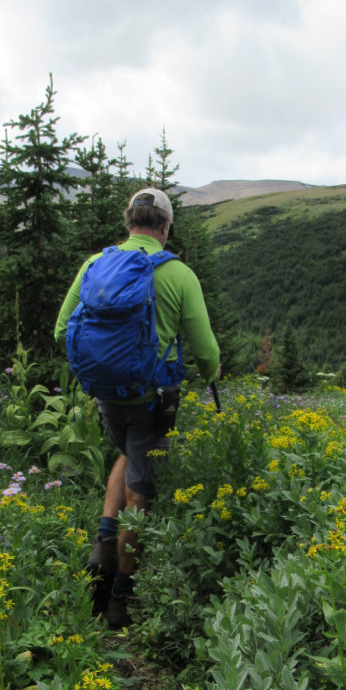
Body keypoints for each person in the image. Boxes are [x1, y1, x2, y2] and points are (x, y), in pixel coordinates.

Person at [54, 187, 220, 628]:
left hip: (106, 394)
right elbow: (205, 348)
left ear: (129, 222)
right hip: (152, 398)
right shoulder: (178, 273)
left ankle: (102, 549)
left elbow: (60, 331)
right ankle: (120, 599)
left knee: (125, 452)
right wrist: (212, 372)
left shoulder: (94, 265)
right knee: (140, 489)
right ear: (166, 226)